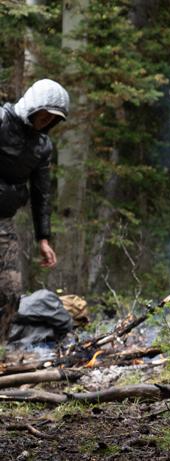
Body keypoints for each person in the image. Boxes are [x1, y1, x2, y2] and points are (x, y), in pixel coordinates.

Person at [0, 79, 68, 342]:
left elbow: (42, 192)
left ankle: (1, 352)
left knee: (10, 292)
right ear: (34, 106)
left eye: (54, 117)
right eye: (46, 113)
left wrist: (43, 238)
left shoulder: (43, 146)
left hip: (3, 222)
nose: (47, 120)